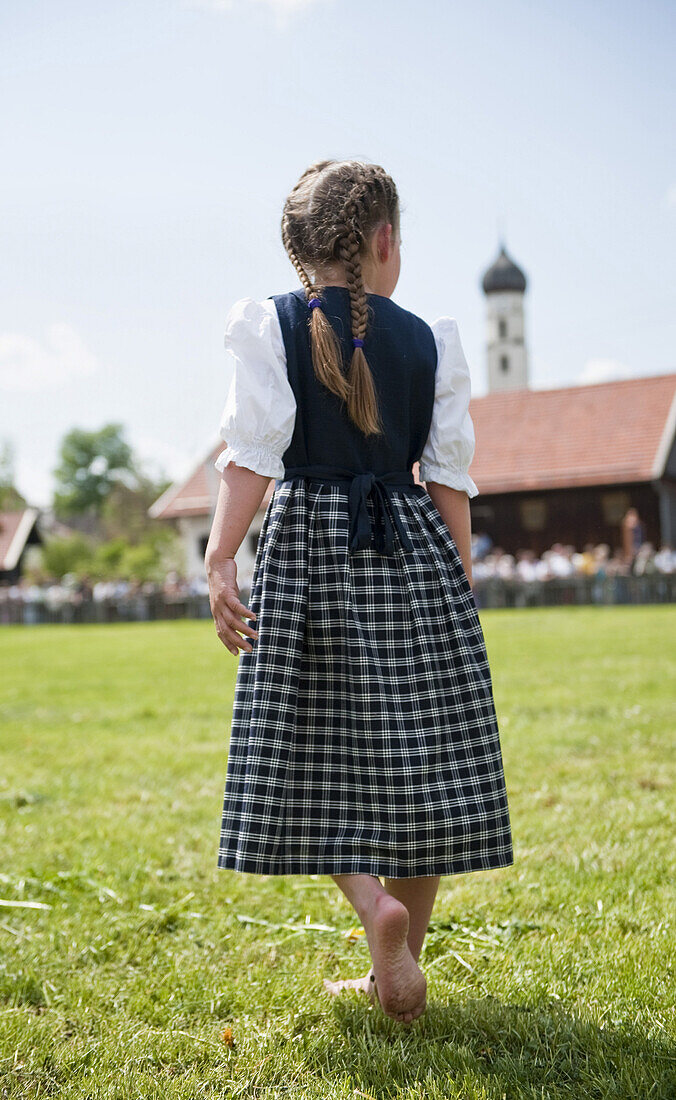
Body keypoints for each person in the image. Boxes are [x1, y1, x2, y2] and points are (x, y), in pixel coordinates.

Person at [205, 159, 513, 1025]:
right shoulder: (430, 340)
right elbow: (449, 473)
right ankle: (402, 951)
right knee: (422, 760)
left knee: (306, 745)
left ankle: (369, 907)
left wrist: (222, 557)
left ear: (302, 252)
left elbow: (252, 454)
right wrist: (457, 582)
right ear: (384, 242)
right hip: (410, 550)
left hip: (309, 549)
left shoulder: (270, 325)